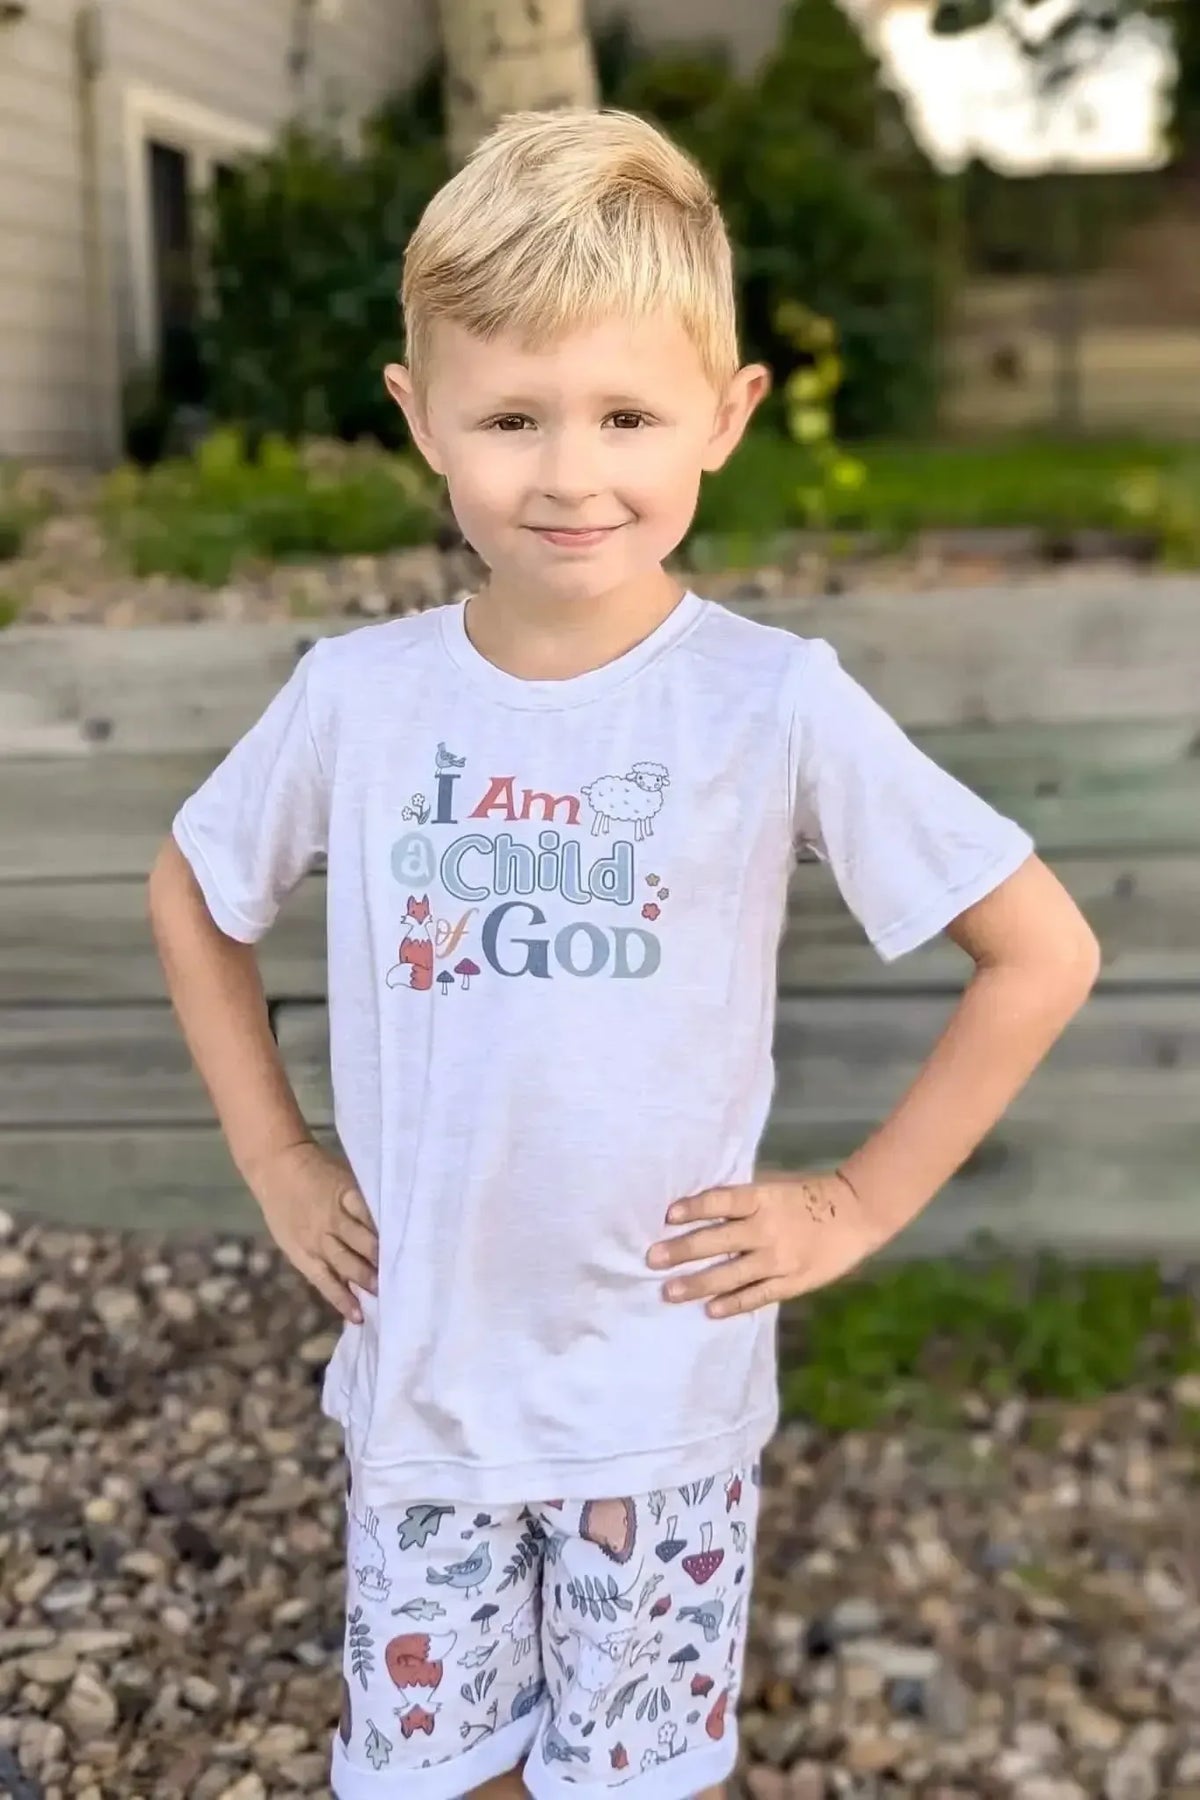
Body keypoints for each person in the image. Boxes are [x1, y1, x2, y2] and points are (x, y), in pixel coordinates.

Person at [147, 106, 1100, 1800]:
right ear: (418, 416)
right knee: (441, 1773)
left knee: (629, 1779)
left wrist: (857, 1203)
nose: (570, 471)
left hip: (656, 1405)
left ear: (724, 420)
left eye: (626, 414)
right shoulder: (357, 704)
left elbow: (1038, 950)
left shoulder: (771, 700)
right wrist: (275, 1154)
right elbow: (195, 890)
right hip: (428, 1393)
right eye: (511, 416)